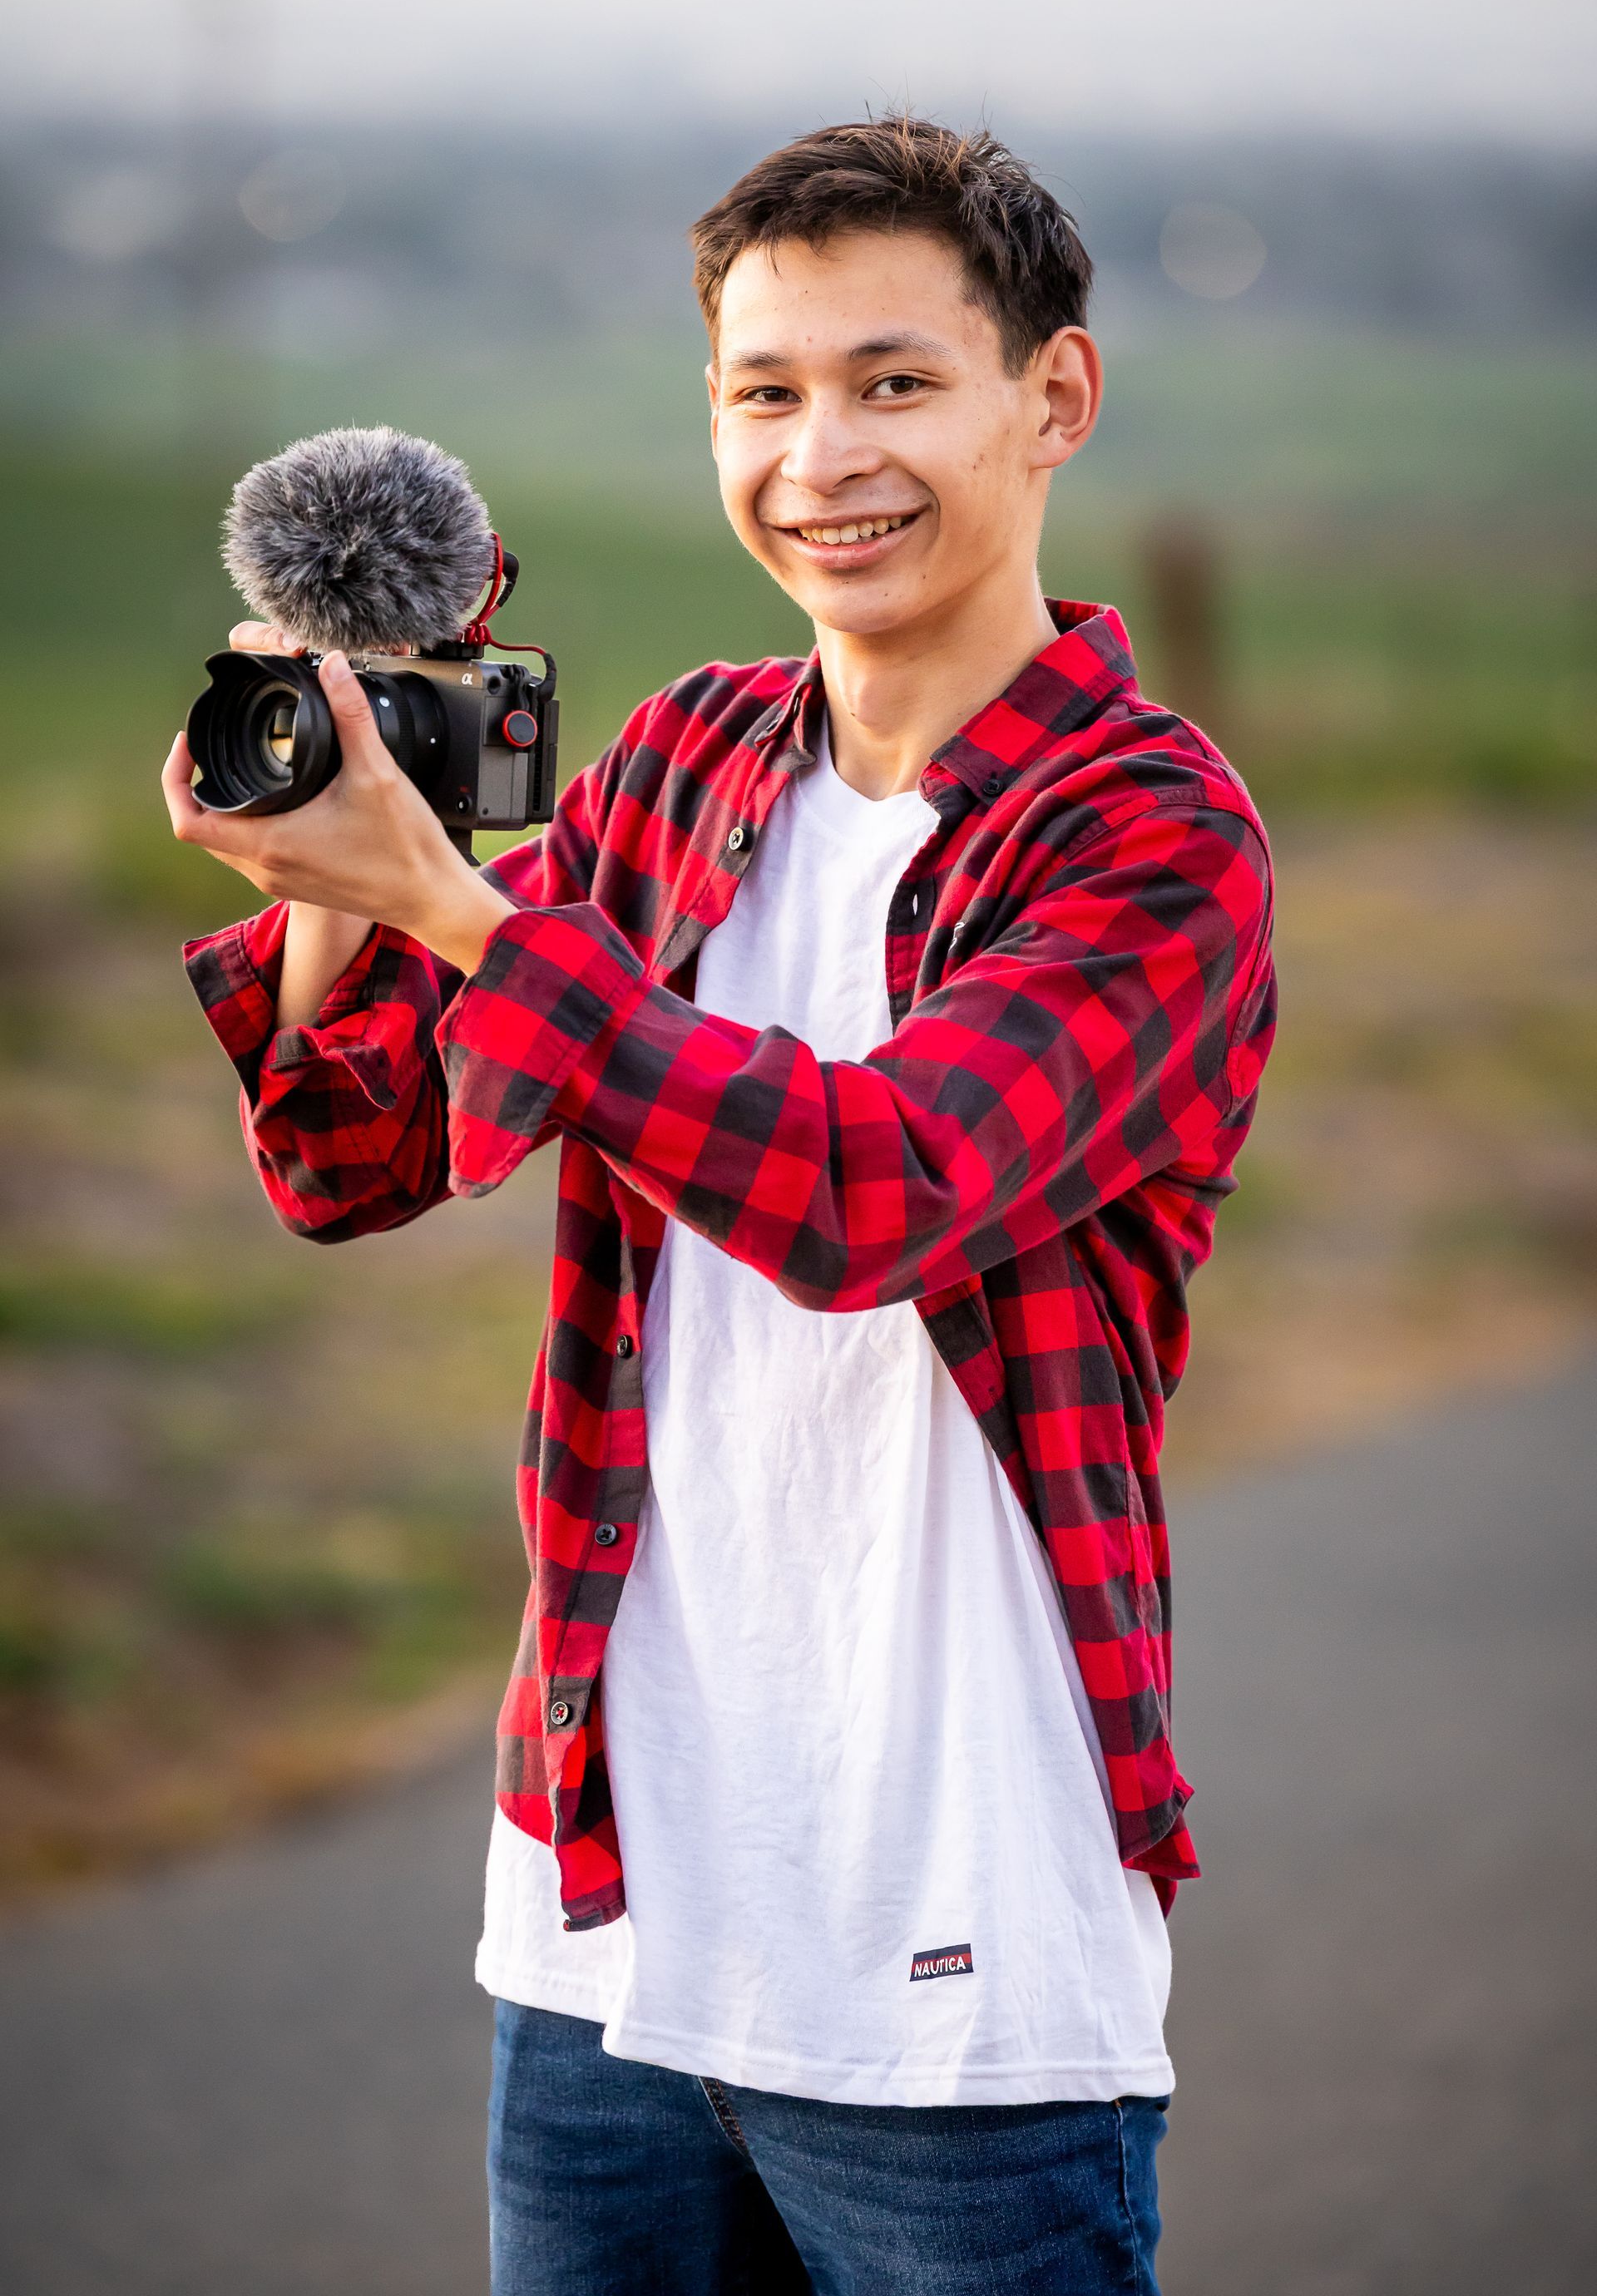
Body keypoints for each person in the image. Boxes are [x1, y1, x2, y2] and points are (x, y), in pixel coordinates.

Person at [166, 116, 1276, 2295]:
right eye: (763, 395)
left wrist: (459, 910)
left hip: (956, 1983)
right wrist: (334, 864)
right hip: (597, 1933)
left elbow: (877, 1189)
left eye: (892, 383)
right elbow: (352, 1159)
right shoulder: (689, 761)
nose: (820, 458)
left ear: (1051, 402)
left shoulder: (1152, 837)